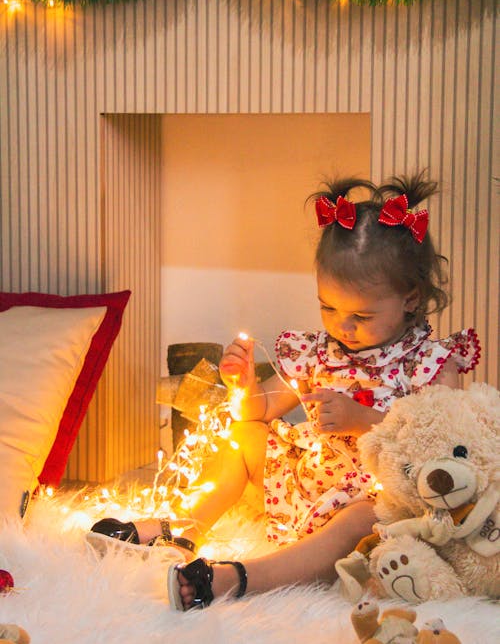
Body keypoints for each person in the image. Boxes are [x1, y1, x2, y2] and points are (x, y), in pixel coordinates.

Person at [89, 172, 480, 611]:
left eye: (361, 315)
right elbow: (260, 412)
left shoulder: (432, 361)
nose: (342, 326)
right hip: (306, 483)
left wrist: (365, 420)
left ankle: (238, 579)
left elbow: (446, 448)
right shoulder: (319, 352)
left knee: (363, 519)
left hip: (376, 495)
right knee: (242, 440)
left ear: (410, 299)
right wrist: (244, 385)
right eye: (328, 307)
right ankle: (180, 528)